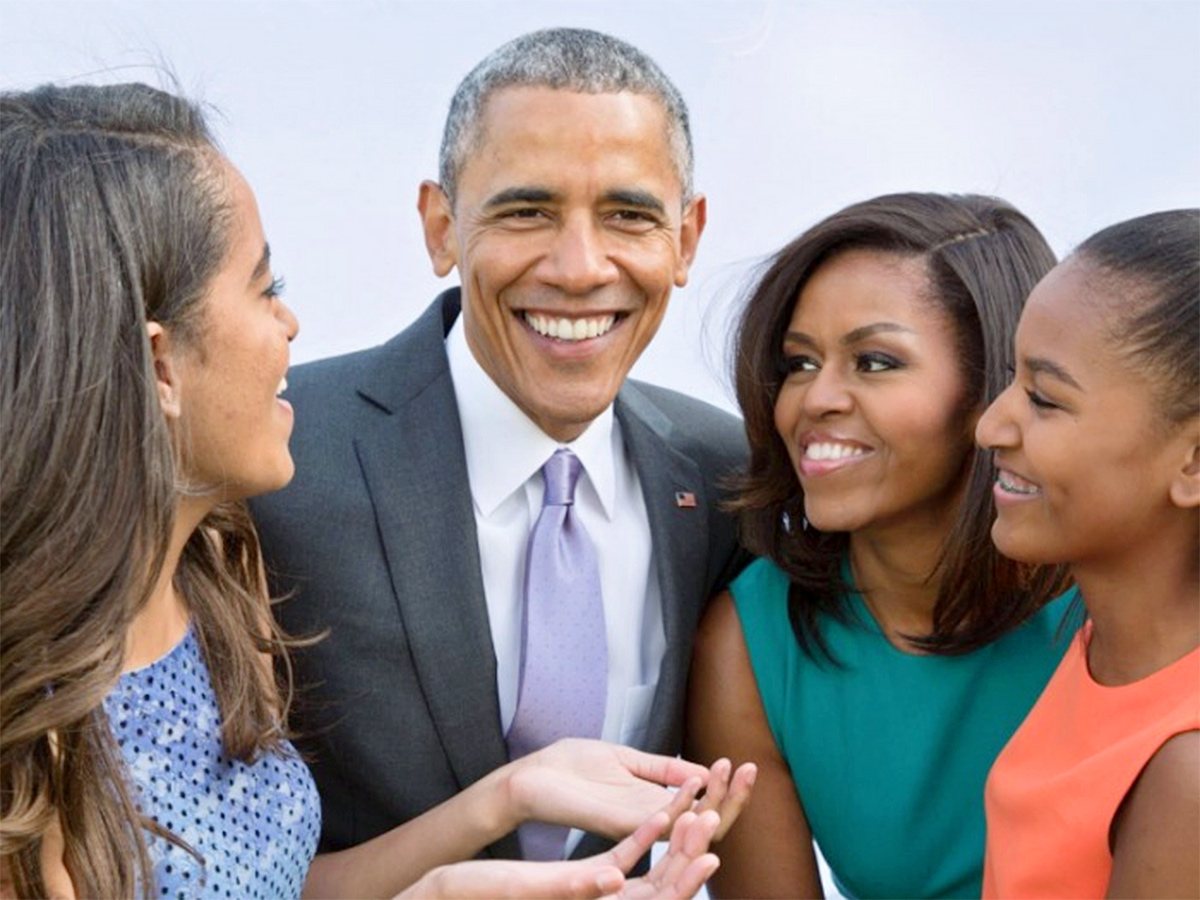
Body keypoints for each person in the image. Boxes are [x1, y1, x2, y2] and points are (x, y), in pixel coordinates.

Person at [0, 81, 741, 900]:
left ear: (686, 235)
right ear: (161, 363)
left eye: (627, 214)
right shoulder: (38, 710)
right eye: (266, 289)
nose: (293, 325)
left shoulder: (211, 581)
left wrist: (493, 816)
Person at [249, 26, 754, 864]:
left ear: (687, 239)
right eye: (528, 211)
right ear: (442, 226)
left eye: (628, 216)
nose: (581, 266)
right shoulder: (282, 455)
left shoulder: (726, 476)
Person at [686, 192, 1080, 899]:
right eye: (800, 363)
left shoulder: (1113, 593)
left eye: (874, 362)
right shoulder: (749, 643)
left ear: (993, 389)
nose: (816, 400)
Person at [977, 209, 1199, 899]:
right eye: (1011, 379)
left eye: (1044, 399)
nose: (990, 425)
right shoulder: (1104, 644)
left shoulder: (1186, 771)